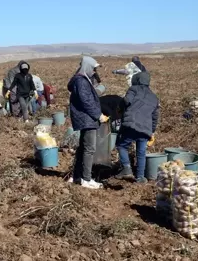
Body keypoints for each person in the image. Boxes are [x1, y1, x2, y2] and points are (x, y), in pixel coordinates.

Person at [68, 56, 109, 189]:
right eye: (93, 68)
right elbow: (86, 101)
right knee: (89, 149)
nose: (94, 71)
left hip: (85, 118)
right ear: (87, 67)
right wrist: (98, 115)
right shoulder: (81, 81)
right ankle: (86, 179)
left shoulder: (81, 80)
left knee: (83, 148)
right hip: (87, 119)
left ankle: (76, 176)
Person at [116, 71, 160, 184]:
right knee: (141, 152)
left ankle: (126, 168)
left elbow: (126, 101)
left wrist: (120, 108)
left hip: (131, 123)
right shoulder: (154, 97)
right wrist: (152, 132)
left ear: (136, 80)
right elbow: (155, 117)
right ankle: (140, 177)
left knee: (121, 146)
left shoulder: (133, 89)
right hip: (146, 128)